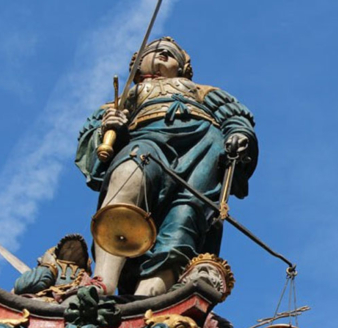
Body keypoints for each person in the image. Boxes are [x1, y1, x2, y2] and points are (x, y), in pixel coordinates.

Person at [75, 37, 258, 296]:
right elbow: (92, 142)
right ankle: (104, 280)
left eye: (170, 54)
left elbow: (234, 115)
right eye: (155, 51)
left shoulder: (200, 91)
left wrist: (239, 134)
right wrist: (108, 129)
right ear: (136, 64)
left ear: (182, 68)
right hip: (146, 139)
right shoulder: (125, 98)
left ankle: (150, 296)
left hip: (203, 146)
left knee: (186, 216)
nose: (162, 54)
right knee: (128, 177)